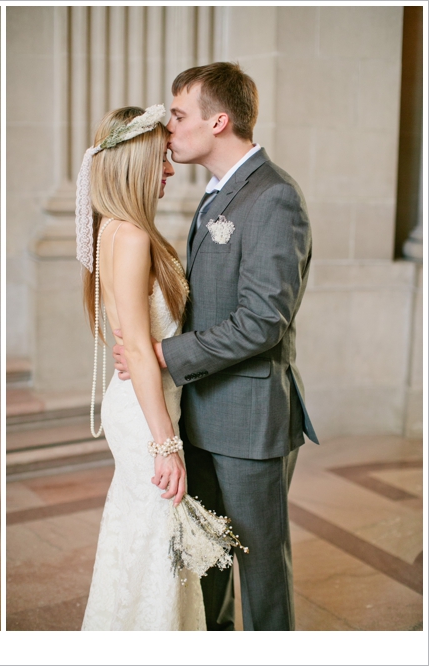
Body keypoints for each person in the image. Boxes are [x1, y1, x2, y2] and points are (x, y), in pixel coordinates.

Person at [113, 62, 318, 631]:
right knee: (208, 565)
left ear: (218, 121)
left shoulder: (274, 198)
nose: (169, 129)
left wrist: (163, 355)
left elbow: (263, 322)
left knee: (261, 573)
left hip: (250, 421)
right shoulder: (214, 196)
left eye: (179, 116)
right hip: (199, 413)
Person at [76, 105, 207, 631]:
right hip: (145, 411)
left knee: (139, 535)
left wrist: (136, 347)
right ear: (133, 163)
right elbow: (134, 342)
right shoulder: (130, 237)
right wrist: (165, 444)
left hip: (141, 398)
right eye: (161, 160)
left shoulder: (114, 228)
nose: (170, 170)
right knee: (157, 540)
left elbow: (130, 335)